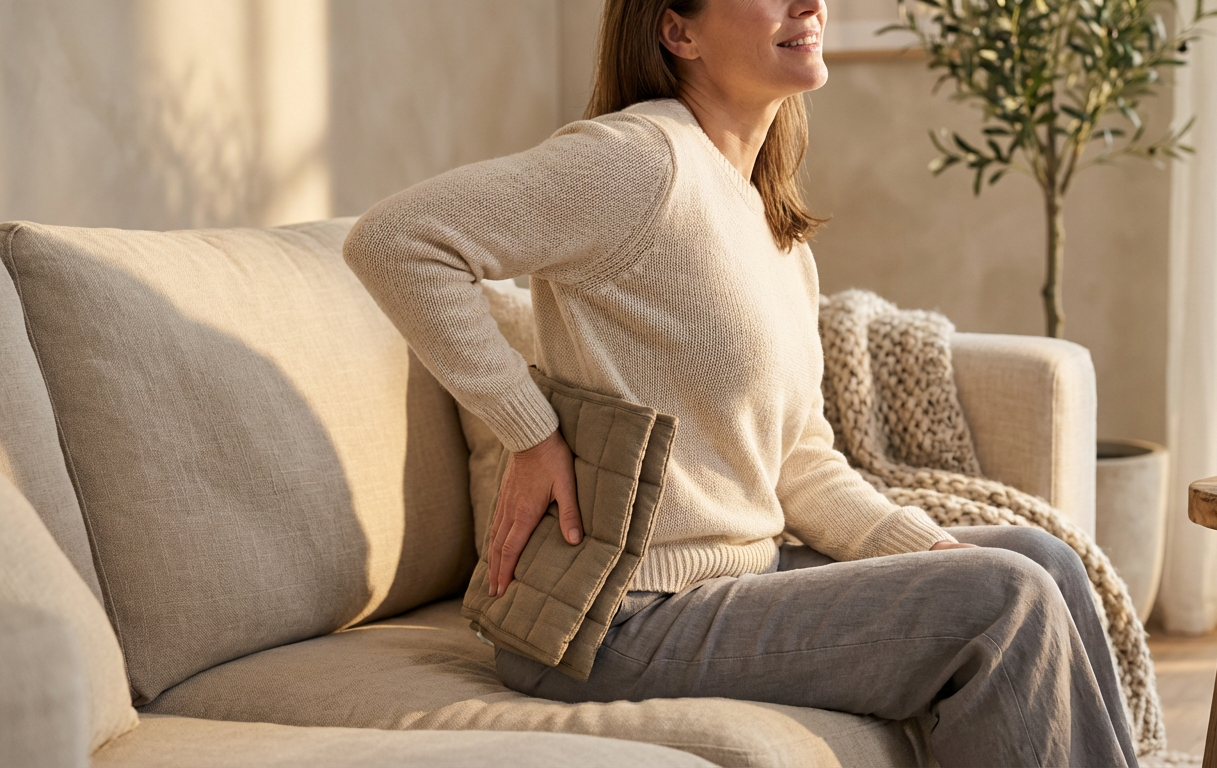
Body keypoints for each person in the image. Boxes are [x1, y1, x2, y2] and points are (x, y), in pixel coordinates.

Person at [343, 1, 1137, 765]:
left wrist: (923, 548)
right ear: (676, 29)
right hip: (618, 616)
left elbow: (799, 462)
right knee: (1002, 602)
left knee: (1043, 559)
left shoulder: (771, 227)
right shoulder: (636, 158)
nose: (810, 4)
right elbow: (397, 241)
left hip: (739, 577)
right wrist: (530, 428)